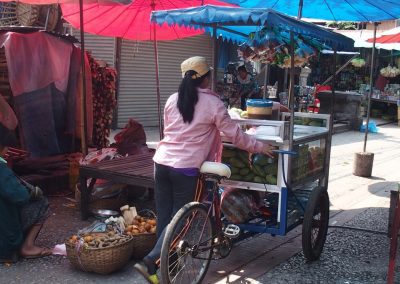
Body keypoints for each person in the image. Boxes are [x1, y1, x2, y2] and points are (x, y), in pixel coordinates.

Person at [133, 56, 274, 284]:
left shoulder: (172, 100)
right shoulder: (213, 104)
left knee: (166, 218)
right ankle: (150, 262)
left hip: (161, 163)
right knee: (180, 219)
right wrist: (259, 146)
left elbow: (170, 130)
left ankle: (166, 264)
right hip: (185, 168)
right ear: (206, 77)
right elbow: (235, 135)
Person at [0, 125, 51, 262]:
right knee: (42, 203)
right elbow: (20, 197)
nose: (7, 151)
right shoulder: (1, 170)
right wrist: (30, 191)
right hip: (5, 245)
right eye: (6, 147)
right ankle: (27, 246)